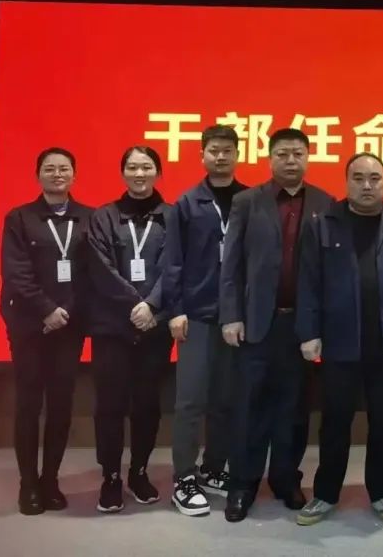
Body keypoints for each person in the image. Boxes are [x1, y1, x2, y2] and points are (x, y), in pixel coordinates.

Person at [294, 153, 383, 526]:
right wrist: (309, 333)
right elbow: (308, 284)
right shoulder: (323, 224)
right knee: (335, 421)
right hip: (339, 342)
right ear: (347, 182)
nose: (367, 185)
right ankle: (325, 493)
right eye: (358, 178)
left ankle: (382, 491)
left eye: (374, 178)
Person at [219, 128, 334, 522]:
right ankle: (242, 484)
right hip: (255, 323)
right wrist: (231, 314)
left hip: (301, 326)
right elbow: (231, 264)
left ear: (308, 157)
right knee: (249, 407)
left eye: (297, 153)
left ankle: (286, 479)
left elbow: (328, 271)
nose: (290, 160)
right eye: (282, 153)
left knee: (294, 409)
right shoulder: (247, 201)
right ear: (270, 158)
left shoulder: (324, 203)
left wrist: (321, 326)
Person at [159, 125, 247, 516]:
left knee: (227, 399)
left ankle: (213, 468)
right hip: (196, 315)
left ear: (237, 154)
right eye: (214, 150)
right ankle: (184, 477)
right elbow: (173, 261)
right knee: (191, 400)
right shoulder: (187, 203)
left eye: (227, 150)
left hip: (237, 317)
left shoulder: (250, 200)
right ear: (202, 155)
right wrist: (175, 309)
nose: (221, 156)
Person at [0, 147, 93, 515]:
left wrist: (66, 311)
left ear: (74, 175)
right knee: (28, 404)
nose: (57, 174)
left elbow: (93, 272)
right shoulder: (20, 218)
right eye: (50, 169)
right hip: (30, 324)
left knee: (60, 404)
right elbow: (16, 272)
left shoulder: (89, 218)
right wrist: (46, 309)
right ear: (38, 175)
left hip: (69, 326)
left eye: (64, 169)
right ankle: (28, 483)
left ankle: (50, 480)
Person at [87, 146, 173, 514]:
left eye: (147, 167)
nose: (140, 174)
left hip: (154, 327)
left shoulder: (173, 216)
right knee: (109, 405)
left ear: (158, 172)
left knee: (147, 405)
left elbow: (176, 267)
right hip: (112, 327)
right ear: (123, 173)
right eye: (133, 167)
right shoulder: (104, 216)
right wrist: (135, 305)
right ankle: (110, 476)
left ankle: (139, 471)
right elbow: (99, 267)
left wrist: (151, 305)